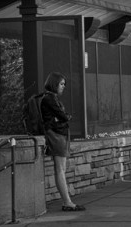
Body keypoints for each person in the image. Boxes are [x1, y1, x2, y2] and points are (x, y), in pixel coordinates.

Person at [40, 72, 86, 211]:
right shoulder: (49, 98)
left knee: (61, 169)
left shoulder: (51, 98)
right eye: (61, 84)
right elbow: (64, 116)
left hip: (59, 135)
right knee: (60, 169)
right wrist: (63, 117)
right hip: (56, 135)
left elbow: (62, 117)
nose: (63, 87)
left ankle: (67, 202)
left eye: (64, 84)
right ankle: (67, 202)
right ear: (54, 84)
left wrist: (62, 117)